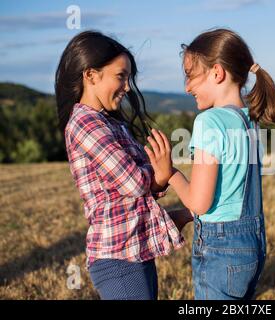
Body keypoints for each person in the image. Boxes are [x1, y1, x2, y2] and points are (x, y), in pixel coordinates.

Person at [146, 28, 275, 299]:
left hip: (221, 251)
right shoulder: (249, 122)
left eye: (190, 75)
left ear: (217, 73)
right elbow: (232, 194)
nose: (186, 87)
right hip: (253, 244)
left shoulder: (210, 121)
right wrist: (187, 216)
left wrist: (170, 173)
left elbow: (200, 203)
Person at [55, 30, 185, 300]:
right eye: (120, 76)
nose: (127, 86)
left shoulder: (110, 123)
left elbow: (142, 184)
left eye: (128, 77)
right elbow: (134, 182)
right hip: (118, 259)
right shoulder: (85, 123)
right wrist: (160, 172)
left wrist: (159, 176)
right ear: (90, 75)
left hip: (133, 250)